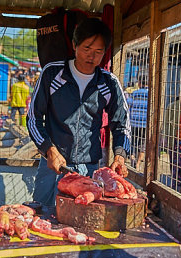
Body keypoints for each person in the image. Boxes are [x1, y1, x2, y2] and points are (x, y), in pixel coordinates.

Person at [27, 18, 131, 207]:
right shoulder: (52, 74)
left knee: (81, 223)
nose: (91, 56)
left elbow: (121, 124)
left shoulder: (108, 82)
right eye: (86, 49)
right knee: (42, 216)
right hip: (52, 164)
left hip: (88, 167)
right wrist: (49, 150)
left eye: (98, 51)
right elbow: (33, 119)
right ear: (74, 45)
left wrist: (119, 155)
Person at [128, 78, 148, 171]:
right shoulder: (150, 94)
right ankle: (138, 164)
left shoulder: (135, 93)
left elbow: (129, 103)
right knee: (143, 144)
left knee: (133, 142)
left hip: (134, 122)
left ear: (139, 83)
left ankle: (132, 158)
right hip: (145, 123)